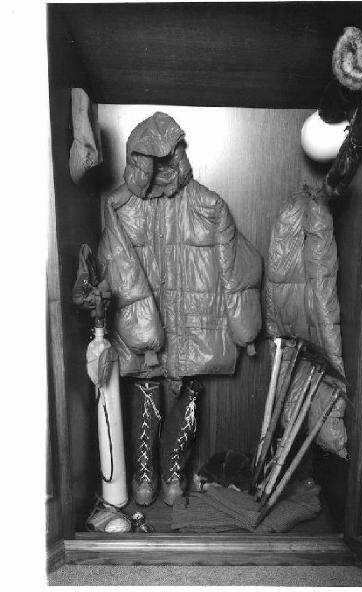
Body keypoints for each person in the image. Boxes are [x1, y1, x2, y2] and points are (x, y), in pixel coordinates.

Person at [97, 112, 262, 505]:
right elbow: (114, 265)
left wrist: (245, 328)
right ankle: (151, 474)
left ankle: (168, 473)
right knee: (149, 384)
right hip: (155, 331)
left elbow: (237, 266)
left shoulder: (208, 205)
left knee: (185, 387)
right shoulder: (120, 207)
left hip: (187, 330)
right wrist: (244, 328)